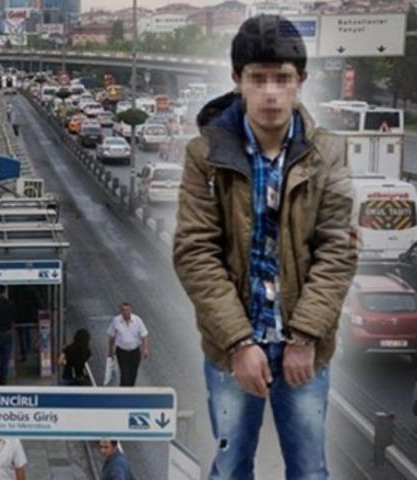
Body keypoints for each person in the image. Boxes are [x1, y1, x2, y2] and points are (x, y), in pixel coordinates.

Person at [173, 15, 357, 479]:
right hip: (232, 348)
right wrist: (239, 342)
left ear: (301, 81)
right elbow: (195, 251)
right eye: (258, 79)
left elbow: (338, 250)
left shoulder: (329, 154)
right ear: (238, 79)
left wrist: (305, 337)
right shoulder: (205, 156)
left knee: (309, 471)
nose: (271, 93)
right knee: (230, 467)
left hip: (304, 350)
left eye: (282, 78)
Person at [106, 303, 150, 387]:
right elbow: (111, 337)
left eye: (127, 310)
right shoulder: (116, 321)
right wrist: (110, 351)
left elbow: (144, 335)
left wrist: (145, 349)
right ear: (121, 311)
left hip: (134, 352)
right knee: (124, 375)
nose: (125, 312)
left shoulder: (137, 320)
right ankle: (123, 392)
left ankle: (130, 391)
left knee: (132, 375)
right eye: (123, 310)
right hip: (122, 352)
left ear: (131, 311)